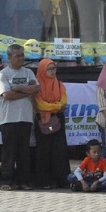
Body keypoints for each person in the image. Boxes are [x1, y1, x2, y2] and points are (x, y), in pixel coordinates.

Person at [0, 44, 39, 190]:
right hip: (9, 119)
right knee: (9, 152)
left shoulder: (28, 72)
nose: (21, 58)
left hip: (26, 118)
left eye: (22, 55)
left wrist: (19, 88)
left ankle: (23, 181)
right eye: (17, 56)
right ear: (9, 58)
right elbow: (7, 95)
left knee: (24, 153)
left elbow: (36, 88)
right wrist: (27, 92)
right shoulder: (3, 74)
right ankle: (6, 181)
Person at [33, 58, 69, 189]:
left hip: (58, 120)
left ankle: (62, 181)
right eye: (49, 69)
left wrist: (53, 107)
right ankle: (44, 181)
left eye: (54, 68)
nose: (52, 71)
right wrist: (56, 106)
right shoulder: (36, 86)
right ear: (42, 70)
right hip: (42, 120)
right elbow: (39, 104)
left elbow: (64, 103)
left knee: (60, 151)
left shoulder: (59, 84)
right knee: (44, 152)